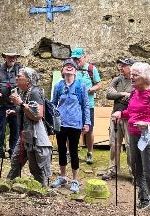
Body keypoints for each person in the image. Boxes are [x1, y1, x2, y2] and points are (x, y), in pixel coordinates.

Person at [112, 62, 150, 210]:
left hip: (149, 137)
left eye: (135, 75)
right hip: (134, 135)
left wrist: (148, 125)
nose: (131, 77)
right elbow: (132, 113)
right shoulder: (134, 93)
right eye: (131, 74)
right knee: (137, 170)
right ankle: (143, 200)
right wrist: (121, 113)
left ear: (145, 78)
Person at [5, 67, 52, 186]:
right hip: (24, 134)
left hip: (34, 137)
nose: (16, 77)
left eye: (19, 76)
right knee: (15, 161)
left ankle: (42, 190)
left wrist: (20, 104)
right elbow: (26, 110)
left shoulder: (35, 92)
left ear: (28, 80)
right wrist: (15, 111)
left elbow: (38, 115)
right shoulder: (23, 92)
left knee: (36, 167)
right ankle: (7, 185)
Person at [49, 59, 90, 192]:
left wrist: (87, 122)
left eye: (72, 66)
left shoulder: (80, 86)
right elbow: (53, 104)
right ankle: (62, 177)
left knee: (73, 151)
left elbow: (85, 105)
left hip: (75, 123)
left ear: (75, 71)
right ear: (62, 71)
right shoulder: (58, 86)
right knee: (61, 150)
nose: (69, 68)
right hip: (60, 123)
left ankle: (75, 180)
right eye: (66, 66)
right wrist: (51, 120)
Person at [102, 57, 135, 180]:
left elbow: (133, 99)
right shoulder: (117, 80)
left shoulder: (135, 81)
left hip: (129, 117)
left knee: (130, 145)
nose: (120, 67)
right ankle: (113, 170)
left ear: (131, 67)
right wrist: (122, 94)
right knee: (114, 144)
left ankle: (134, 173)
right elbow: (109, 94)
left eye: (124, 65)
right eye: (120, 65)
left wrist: (121, 95)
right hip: (115, 116)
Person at [71, 48, 101, 164]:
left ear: (84, 56)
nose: (76, 61)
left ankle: (90, 153)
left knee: (89, 129)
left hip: (88, 104)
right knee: (72, 129)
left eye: (78, 58)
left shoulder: (91, 69)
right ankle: (71, 153)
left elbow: (98, 85)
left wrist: (88, 90)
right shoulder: (71, 68)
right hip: (73, 105)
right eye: (74, 58)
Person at [0, 52, 21, 160]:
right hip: (1, 105)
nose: (12, 59)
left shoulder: (20, 69)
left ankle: (13, 151)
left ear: (16, 58)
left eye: (14, 57)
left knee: (15, 129)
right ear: (5, 58)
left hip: (15, 105)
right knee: (1, 129)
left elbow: (25, 84)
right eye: (9, 57)